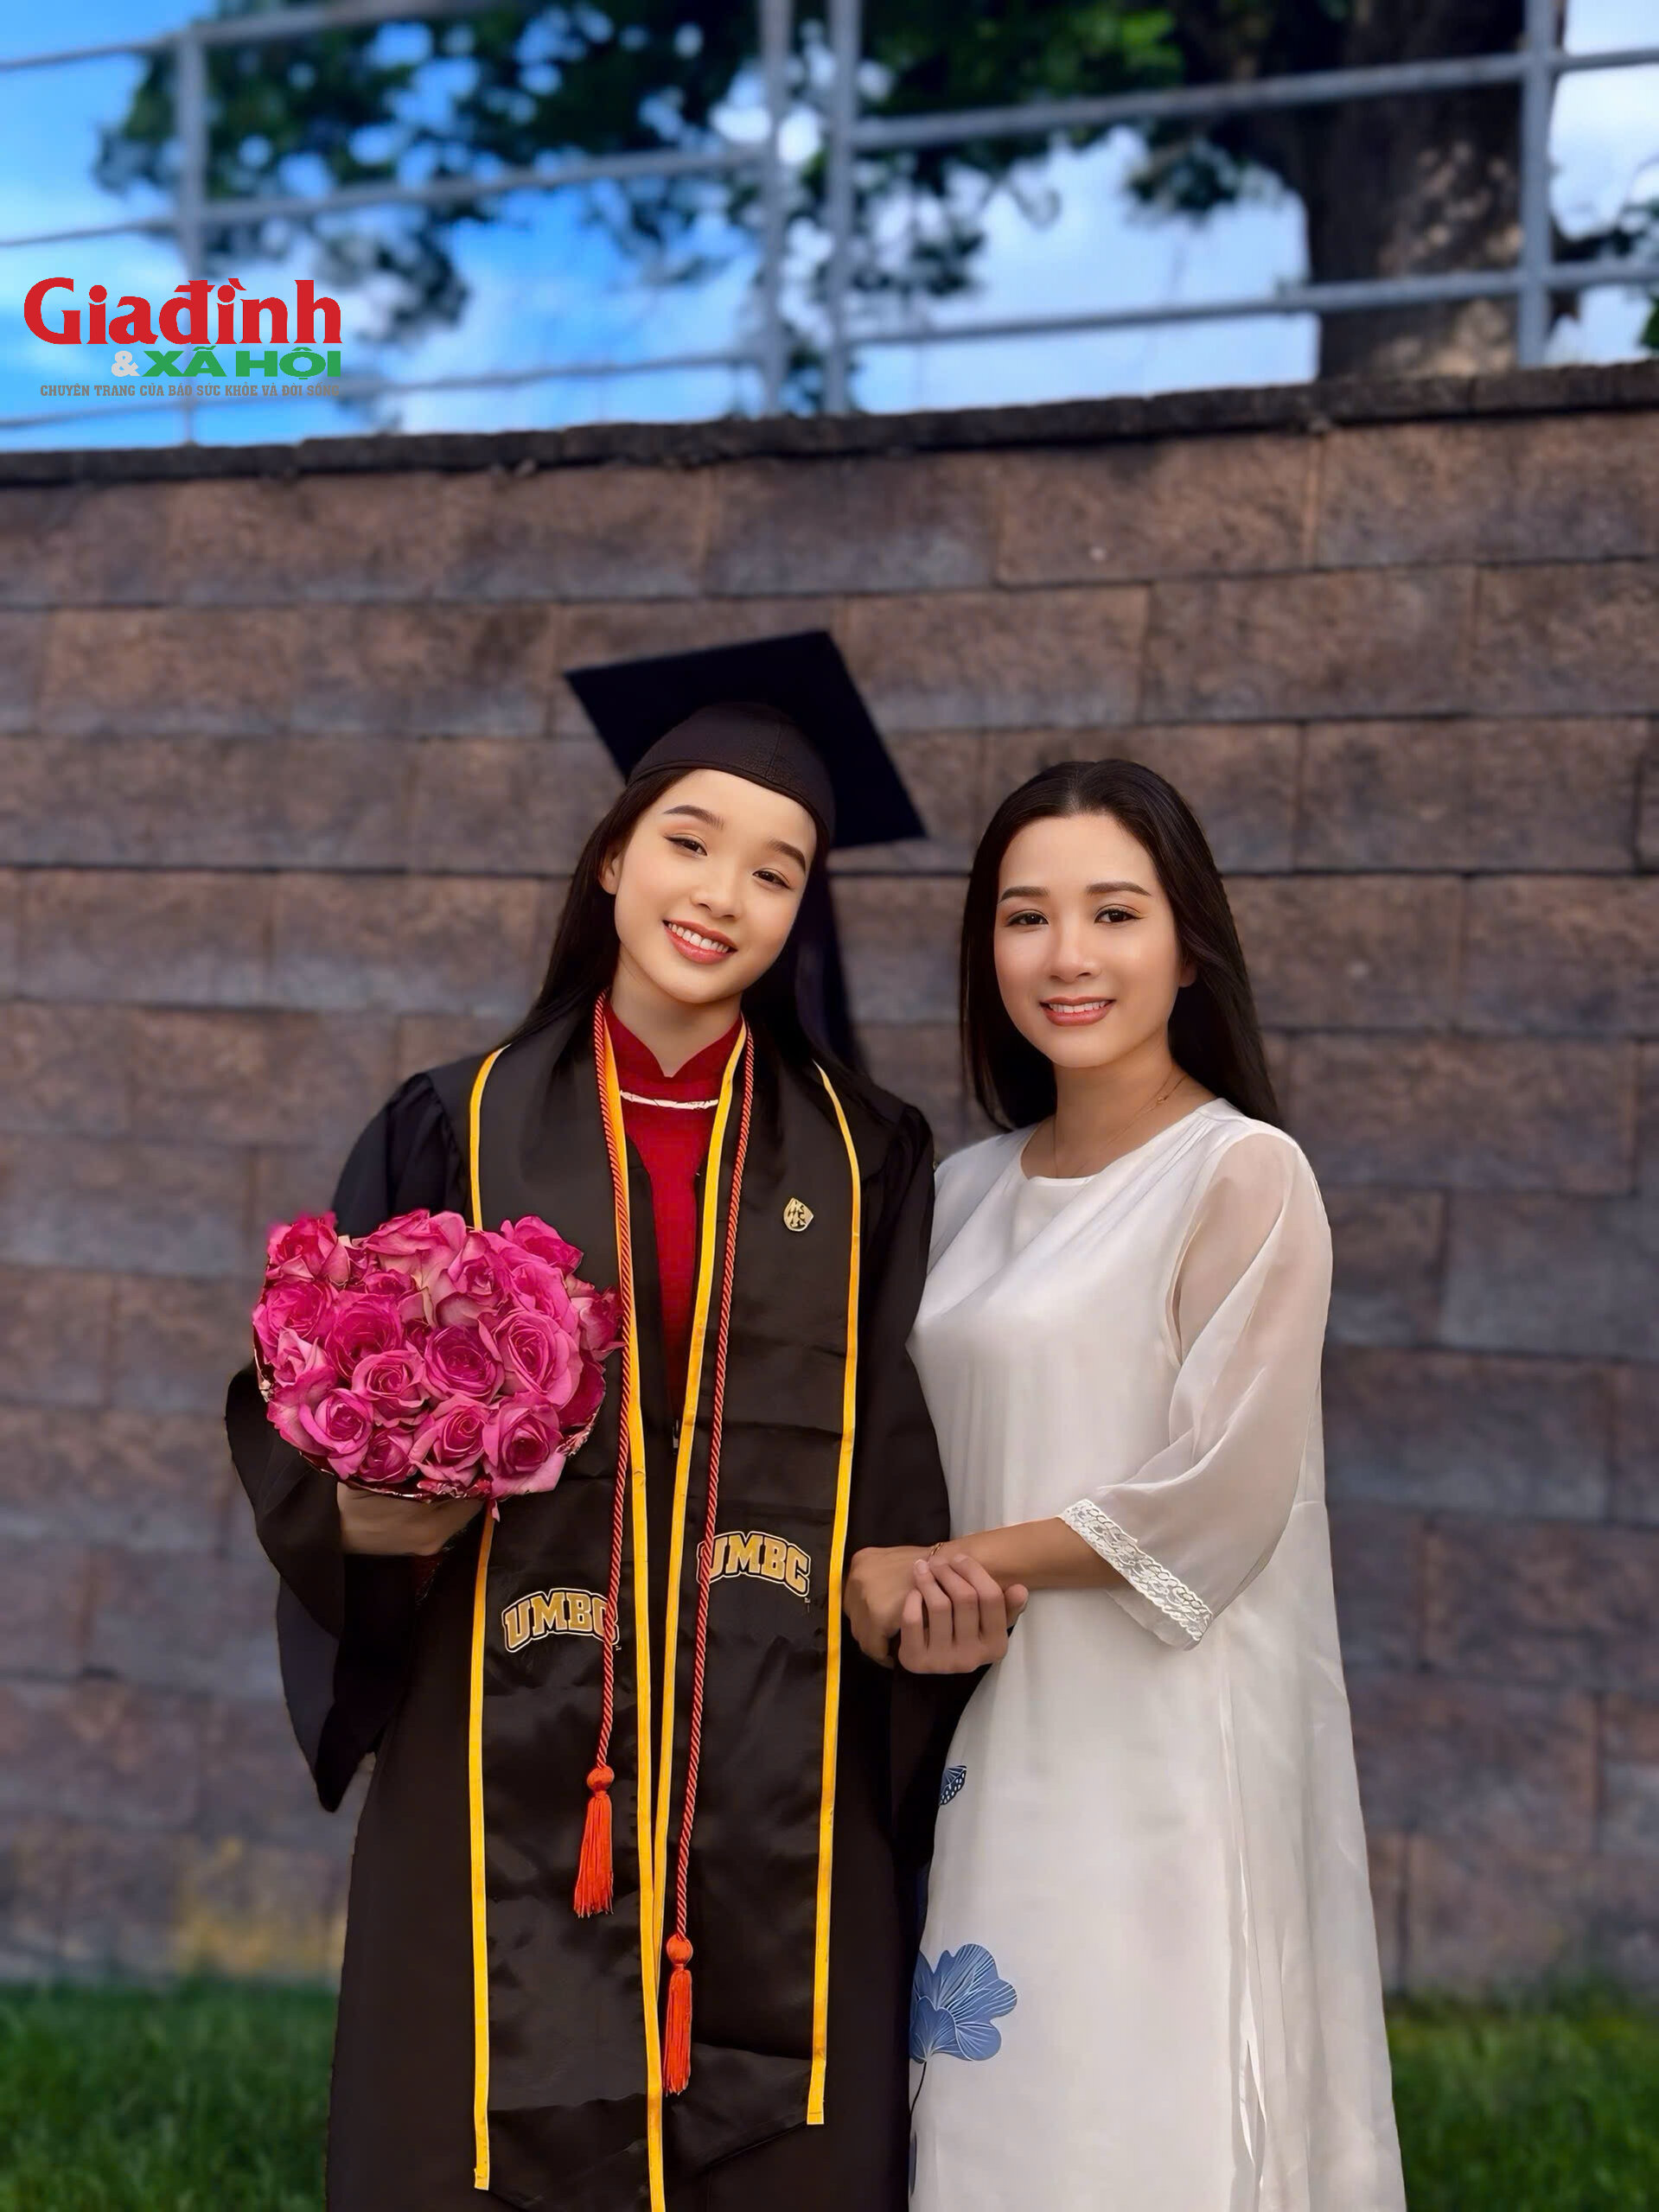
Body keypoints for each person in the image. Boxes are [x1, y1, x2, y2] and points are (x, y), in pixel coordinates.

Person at [227, 631, 1018, 2212]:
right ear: (612, 858)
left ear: (802, 913)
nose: (721, 894)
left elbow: (898, 1451)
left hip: (780, 1731)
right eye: (689, 841)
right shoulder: (451, 1126)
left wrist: (911, 1592)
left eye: (776, 871)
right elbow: (308, 1413)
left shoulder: (869, 1156)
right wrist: (370, 1506)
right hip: (502, 1719)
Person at [844, 759, 1405, 2210]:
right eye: (1026, 916)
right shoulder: (958, 1193)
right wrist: (885, 1584)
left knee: (1129, 2108)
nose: (1068, 956)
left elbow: (1217, 1494)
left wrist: (957, 1563)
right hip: (985, 1716)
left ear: (1188, 943)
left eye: (1113, 912)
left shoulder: (1242, 1176)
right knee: (992, 2112)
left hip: (1158, 1732)